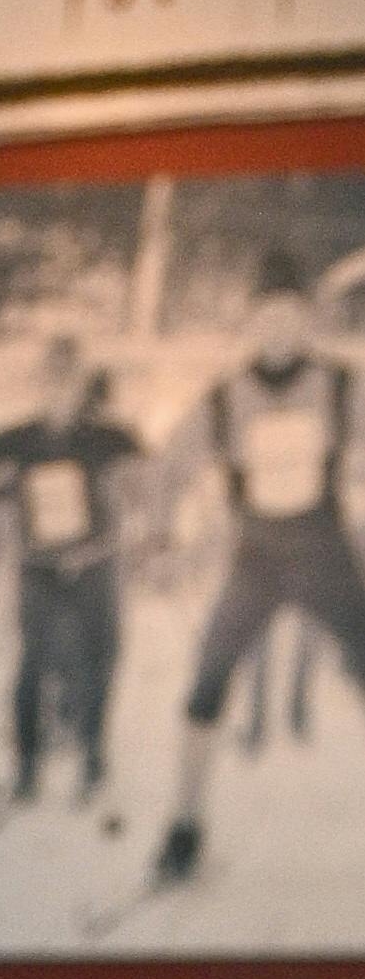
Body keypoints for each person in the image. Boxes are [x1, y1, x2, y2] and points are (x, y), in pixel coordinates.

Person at [144, 259, 365, 895]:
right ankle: (184, 827)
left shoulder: (342, 386)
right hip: (257, 559)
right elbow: (166, 469)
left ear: (307, 321)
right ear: (251, 325)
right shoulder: (223, 399)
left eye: (289, 318)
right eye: (265, 319)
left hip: (324, 549)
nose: (277, 331)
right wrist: (159, 538)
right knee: (207, 683)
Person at [0, 335, 143, 815]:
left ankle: (93, 764)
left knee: (101, 661)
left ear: (82, 386)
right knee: (33, 664)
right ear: (40, 385)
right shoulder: (20, 438)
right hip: (41, 569)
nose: (60, 392)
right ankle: (27, 770)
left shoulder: (107, 436)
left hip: (95, 562)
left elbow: (148, 475)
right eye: (51, 381)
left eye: (70, 382)